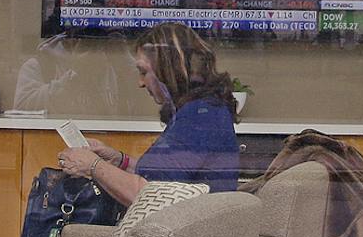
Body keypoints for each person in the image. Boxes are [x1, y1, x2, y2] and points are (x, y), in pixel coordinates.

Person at [58, 22, 241, 200]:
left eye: (143, 72)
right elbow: (166, 179)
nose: (140, 83)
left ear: (168, 70)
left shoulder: (199, 118)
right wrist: (120, 161)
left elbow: (148, 194)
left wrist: (92, 165)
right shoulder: (201, 111)